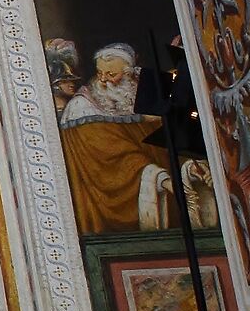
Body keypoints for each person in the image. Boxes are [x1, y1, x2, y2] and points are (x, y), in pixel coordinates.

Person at [57, 42, 172, 233]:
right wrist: (157, 176)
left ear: (129, 74)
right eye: (99, 73)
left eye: (111, 75)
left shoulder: (142, 93)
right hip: (109, 202)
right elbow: (111, 158)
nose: (103, 80)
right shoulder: (82, 108)